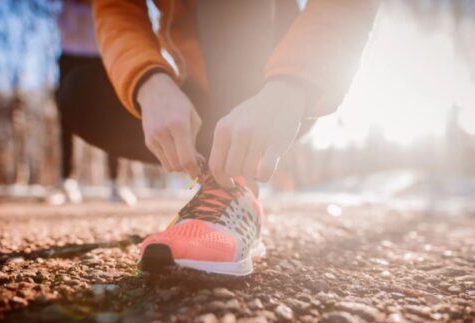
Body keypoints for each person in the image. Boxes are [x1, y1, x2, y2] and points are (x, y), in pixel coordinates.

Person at [69, 0, 380, 275]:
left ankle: (239, 190)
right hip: (195, 96)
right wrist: (147, 81)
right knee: (78, 92)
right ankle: (216, 182)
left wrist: (292, 84)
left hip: (279, 94)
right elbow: (115, 6)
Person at [48, 0, 138, 205]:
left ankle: (117, 183)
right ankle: (67, 181)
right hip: (69, 55)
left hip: (103, 55)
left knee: (114, 120)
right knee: (66, 120)